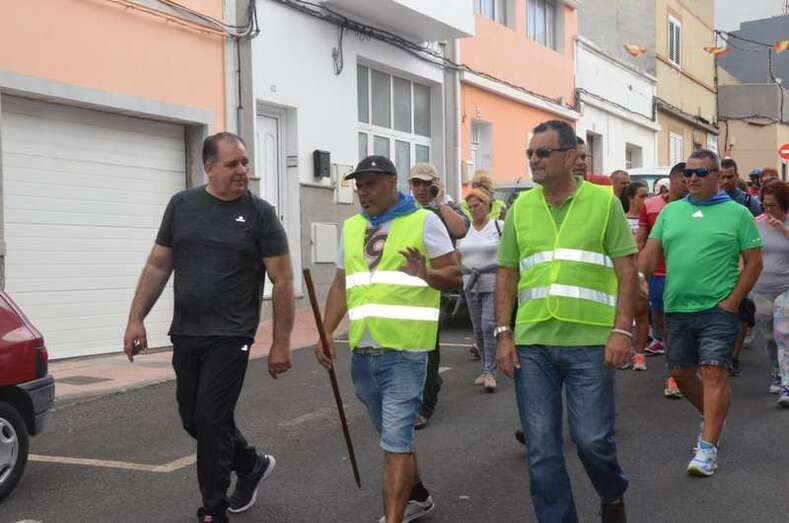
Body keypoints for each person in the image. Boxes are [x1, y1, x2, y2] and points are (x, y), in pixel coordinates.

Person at [122, 132, 294, 523]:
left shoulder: (260, 214)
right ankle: (250, 464)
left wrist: (280, 343)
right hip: (187, 331)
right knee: (193, 419)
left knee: (212, 421)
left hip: (232, 334)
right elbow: (158, 265)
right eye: (233, 164)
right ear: (209, 167)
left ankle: (214, 509)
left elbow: (282, 280)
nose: (243, 170)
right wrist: (136, 318)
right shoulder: (182, 206)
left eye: (245, 162)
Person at [497, 120, 636, 523]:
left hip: (590, 343)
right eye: (530, 153)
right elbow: (507, 273)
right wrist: (503, 333)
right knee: (541, 449)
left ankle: (612, 492)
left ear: (571, 156)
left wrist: (622, 330)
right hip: (534, 344)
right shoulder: (521, 208)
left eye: (543, 152)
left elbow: (626, 270)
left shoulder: (604, 203)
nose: (534, 160)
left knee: (592, 441)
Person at [315, 155, 461, 523]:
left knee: (395, 442)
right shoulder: (352, 227)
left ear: (392, 182)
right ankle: (418, 496)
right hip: (364, 352)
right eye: (359, 185)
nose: (363, 192)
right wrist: (326, 332)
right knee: (395, 438)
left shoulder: (423, 220)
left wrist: (426, 273)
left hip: (406, 351)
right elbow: (340, 285)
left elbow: (455, 274)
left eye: (371, 184)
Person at [639, 149, 763, 477]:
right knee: (681, 374)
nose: (692, 178)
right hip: (677, 307)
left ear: (717, 176)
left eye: (701, 172)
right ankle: (711, 416)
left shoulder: (738, 213)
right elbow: (651, 251)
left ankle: (707, 449)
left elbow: (754, 263)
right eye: (688, 173)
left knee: (713, 371)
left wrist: (733, 301)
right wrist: (638, 277)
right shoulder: (671, 212)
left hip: (718, 309)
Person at [408, 163, 469, 429]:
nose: (421, 189)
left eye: (426, 184)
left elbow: (461, 230)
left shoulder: (448, 207)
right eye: (416, 184)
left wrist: (440, 202)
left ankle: (426, 403)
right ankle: (420, 388)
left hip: (439, 286)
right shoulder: (405, 210)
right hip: (411, 289)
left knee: (428, 347)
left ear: (436, 183)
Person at [637, 162, 687, 398]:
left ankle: (675, 374)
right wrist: (639, 275)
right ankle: (675, 364)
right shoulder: (651, 205)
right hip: (658, 275)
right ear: (673, 180)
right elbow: (642, 240)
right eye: (683, 180)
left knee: (678, 325)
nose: (688, 184)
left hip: (684, 277)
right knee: (662, 324)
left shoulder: (695, 208)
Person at [458, 188, 504, 392]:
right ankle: (486, 368)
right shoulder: (465, 229)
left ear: (487, 205)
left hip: (492, 282)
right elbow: (458, 254)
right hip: (470, 284)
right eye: (470, 207)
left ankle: (490, 372)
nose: (474, 210)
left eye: (477, 205)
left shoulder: (498, 226)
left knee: (488, 325)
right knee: (477, 329)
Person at [719, 159, 761, 376]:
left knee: (740, 314)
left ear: (737, 177)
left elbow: (759, 235)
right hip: (719, 267)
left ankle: (733, 358)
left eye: (730, 177)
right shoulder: (710, 201)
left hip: (742, 265)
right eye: (723, 177)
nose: (726, 181)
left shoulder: (748, 202)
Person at [750, 180, 789, 406]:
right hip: (761, 289)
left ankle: (787, 385)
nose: (768, 210)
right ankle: (776, 372)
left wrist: (783, 229)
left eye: (773, 205)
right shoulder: (756, 224)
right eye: (765, 205)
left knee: (784, 335)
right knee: (769, 338)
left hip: (786, 289)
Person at [620, 182, 649, 371]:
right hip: (622, 272)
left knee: (641, 313)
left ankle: (639, 355)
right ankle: (624, 352)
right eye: (642, 196)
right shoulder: (620, 219)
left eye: (647, 196)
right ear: (631, 198)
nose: (646, 200)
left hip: (642, 271)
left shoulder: (648, 221)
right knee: (622, 313)